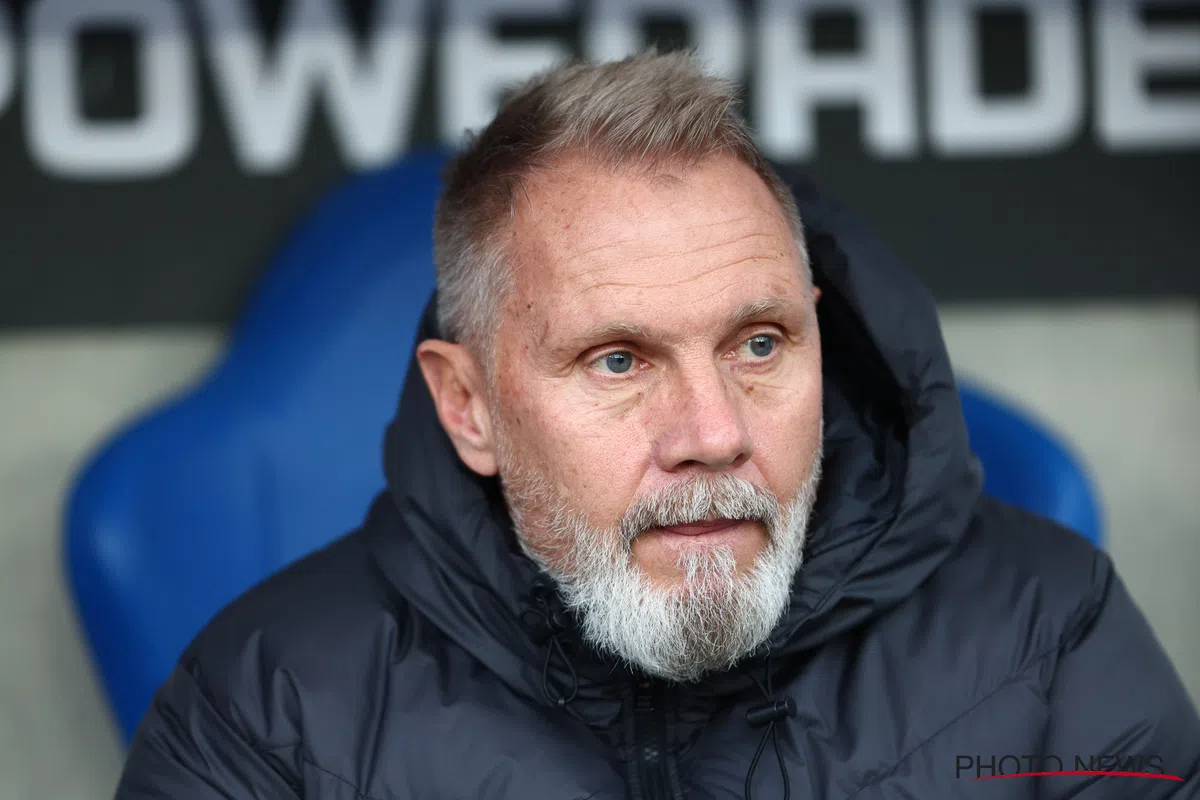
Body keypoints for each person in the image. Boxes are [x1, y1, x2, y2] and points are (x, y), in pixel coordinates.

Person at [115, 50, 1200, 799]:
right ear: (469, 408)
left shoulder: (1050, 633)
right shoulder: (269, 706)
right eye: (620, 361)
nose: (713, 433)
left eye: (759, 344)